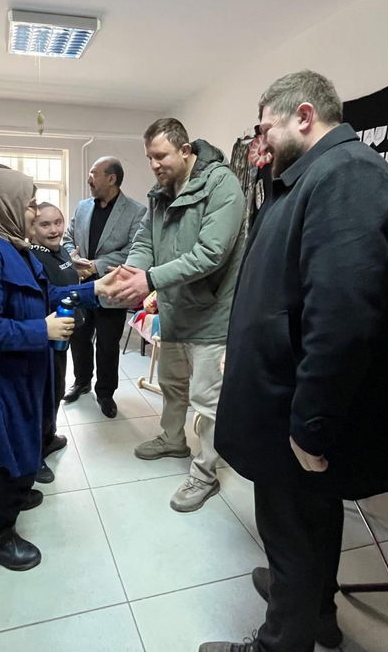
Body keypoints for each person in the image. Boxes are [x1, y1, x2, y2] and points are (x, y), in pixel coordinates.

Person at [202, 71, 388, 652]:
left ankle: (281, 641)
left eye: (266, 127)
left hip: (296, 405)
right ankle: (315, 612)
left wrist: (311, 425)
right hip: (281, 393)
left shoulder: (348, 174)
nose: (260, 142)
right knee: (309, 518)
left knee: (290, 529)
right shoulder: (308, 176)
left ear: (305, 116)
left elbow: (342, 314)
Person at [0, 168, 118, 571]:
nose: (34, 212)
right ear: (5, 206)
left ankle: (16, 494)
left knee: (25, 440)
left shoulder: (15, 246)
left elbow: (47, 293)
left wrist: (94, 289)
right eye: (28, 205)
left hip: (17, 367)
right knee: (19, 452)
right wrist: (42, 329)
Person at [111, 119, 245, 513]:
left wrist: (150, 279)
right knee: (172, 385)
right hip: (174, 310)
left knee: (207, 401)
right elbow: (145, 241)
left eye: (160, 156)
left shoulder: (222, 184)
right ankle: (172, 440)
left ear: (185, 150)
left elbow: (211, 253)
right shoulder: (160, 193)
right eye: (149, 158)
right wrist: (133, 272)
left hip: (212, 314)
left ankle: (205, 473)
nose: (154, 164)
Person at [61, 157, 145, 418]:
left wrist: (96, 265)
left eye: (93, 173)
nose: (89, 179)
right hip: (81, 287)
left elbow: (133, 250)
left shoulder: (136, 211)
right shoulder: (83, 207)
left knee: (108, 345)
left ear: (111, 179)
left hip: (112, 289)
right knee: (79, 338)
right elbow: (67, 237)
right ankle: (81, 381)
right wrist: (73, 259)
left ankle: (106, 393)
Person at [29, 202, 80, 484]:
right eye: (45, 224)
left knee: (57, 388)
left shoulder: (61, 251)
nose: (53, 230)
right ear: (32, 228)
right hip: (42, 337)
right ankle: (33, 456)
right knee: (42, 395)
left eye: (58, 222)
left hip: (62, 336)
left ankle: (48, 438)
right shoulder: (33, 258)